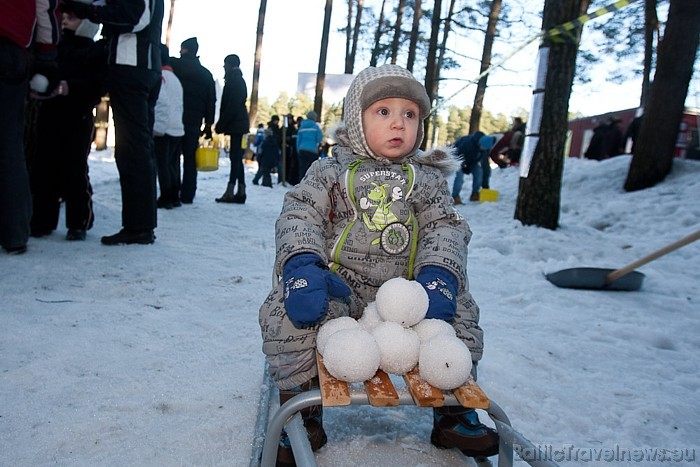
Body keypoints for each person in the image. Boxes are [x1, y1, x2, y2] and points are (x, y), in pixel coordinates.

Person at [259, 64, 498, 466]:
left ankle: (454, 413)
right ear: (357, 119)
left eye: (409, 114)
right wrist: (302, 265)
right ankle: (302, 413)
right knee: (284, 314)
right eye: (383, 112)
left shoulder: (426, 179)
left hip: (406, 300)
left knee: (459, 313)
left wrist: (438, 276)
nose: (398, 124)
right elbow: (300, 214)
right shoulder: (330, 172)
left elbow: (446, 226)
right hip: (338, 291)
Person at [61, 0, 164, 246]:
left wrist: (88, 11)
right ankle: (141, 224)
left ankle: (138, 226)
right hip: (142, 67)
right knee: (139, 148)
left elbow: (133, 16)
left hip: (131, 66)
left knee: (133, 149)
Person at [29, 12, 106, 241]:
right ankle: (41, 220)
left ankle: (78, 222)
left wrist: (68, 87)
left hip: (77, 116)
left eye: (72, 18)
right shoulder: (55, 47)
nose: (64, 21)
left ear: (85, 24)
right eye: (66, 17)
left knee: (75, 169)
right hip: (50, 113)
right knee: (44, 168)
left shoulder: (95, 51)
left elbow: (97, 86)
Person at [1, 0, 62, 254]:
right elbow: (45, 7)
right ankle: (14, 232)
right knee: (7, 142)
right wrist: (47, 55)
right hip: (10, 46)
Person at [169, 37, 216, 204]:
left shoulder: (174, 66)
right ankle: (188, 194)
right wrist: (208, 125)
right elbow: (211, 101)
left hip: (173, 118)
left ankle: (172, 192)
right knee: (190, 158)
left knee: (172, 156)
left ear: (184, 49)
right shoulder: (206, 74)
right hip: (194, 122)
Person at [215, 54, 250, 204]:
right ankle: (240, 190)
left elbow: (231, 106)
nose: (223, 67)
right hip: (239, 123)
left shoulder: (234, 80)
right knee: (236, 157)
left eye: (225, 64)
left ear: (229, 64)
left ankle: (231, 191)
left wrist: (221, 124)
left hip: (236, 123)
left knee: (235, 158)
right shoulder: (238, 79)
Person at [153, 44, 184, 210]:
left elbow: (161, 103)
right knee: (173, 163)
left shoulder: (160, 77)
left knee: (163, 164)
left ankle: (166, 196)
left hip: (164, 128)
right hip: (177, 126)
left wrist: (157, 126)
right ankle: (175, 196)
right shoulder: (175, 79)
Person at [296, 110, 324, 180]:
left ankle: (301, 183)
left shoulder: (302, 126)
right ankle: (310, 184)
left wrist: (298, 149)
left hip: (302, 149)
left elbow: (298, 140)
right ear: (314, 118)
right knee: (312, 169)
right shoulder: (316, 126)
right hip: (312, 150)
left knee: (302, 168)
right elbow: (319, 138)